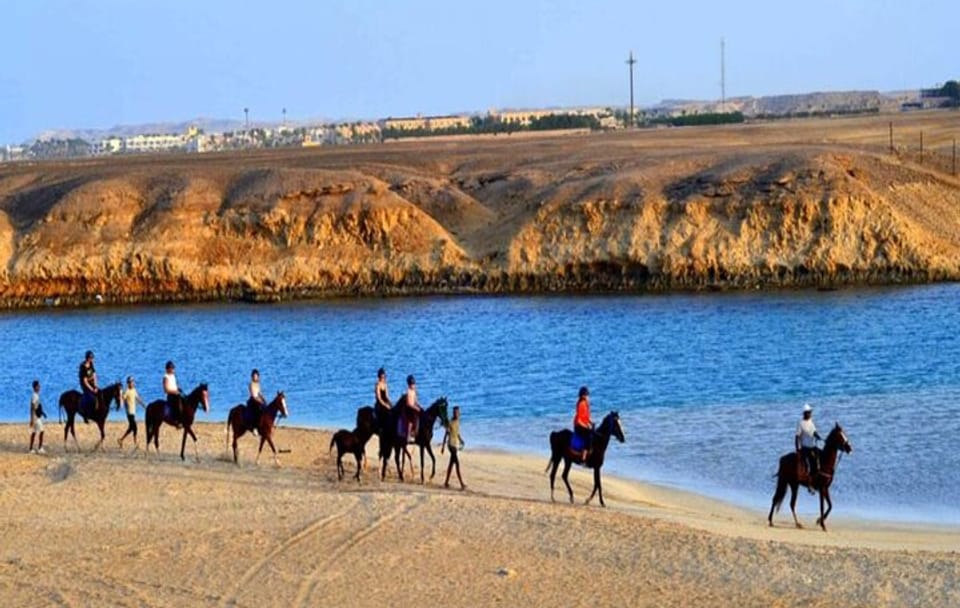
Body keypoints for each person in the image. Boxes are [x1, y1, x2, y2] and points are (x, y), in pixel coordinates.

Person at [796, 403, 823, 492]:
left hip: (813, 447)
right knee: (811, 464)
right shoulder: (801, 424)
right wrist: (798, 449)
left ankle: (819, 481)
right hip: (805, 448)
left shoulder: (811, 421)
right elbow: (797, 437)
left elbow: (814, 431)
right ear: (805, 413)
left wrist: (818, 436)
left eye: (810, 412)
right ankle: (809, 484)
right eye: (809, 412)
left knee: (822, 456)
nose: (810, 414)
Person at [441, 405, 466, 490]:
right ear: (453, 413)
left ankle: (446, 482)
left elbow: (457, 433)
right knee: (457, 464)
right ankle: (462, 484)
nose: (456, 414)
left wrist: (461, 440)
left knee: (451, 464)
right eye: (455, 412)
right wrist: (443, 446)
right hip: (451, 445)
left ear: (459, 413)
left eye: (458, 412)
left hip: (455, 444)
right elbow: (446, 434)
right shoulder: (450, 422)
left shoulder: (458, 421)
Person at [118, 376, 145, 450]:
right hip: (129, 412)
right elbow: (122, 399)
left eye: (132, 382)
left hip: (133, 412)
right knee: (135, 428)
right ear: (128, 383)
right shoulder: (127, 391)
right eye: (130, 382)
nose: (132, 383)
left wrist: (143, 405)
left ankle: (121, 440)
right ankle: (136, 444)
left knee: (131, 428)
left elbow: (137, 398)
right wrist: (121, 396)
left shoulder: (134, 390)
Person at [573, 386, 593, 462]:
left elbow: (586, 417)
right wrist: (586, 426)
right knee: (588, 435)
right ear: (582, 395)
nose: (587, 396)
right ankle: (583, 456)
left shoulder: (586, 403)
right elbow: (579, 420)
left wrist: (591, 422)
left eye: (587, 395)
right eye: (585, 395)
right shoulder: (581, 404)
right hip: (578, 425)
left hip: (584, 423)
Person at [78, 350, 98, 420]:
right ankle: (86, 414)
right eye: (91, 358)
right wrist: (92, 389)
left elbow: (94, 375)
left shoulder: (91, 364)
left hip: (92, 383)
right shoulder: (83, 366)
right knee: (90, 397)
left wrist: (95, 386)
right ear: (87, 358)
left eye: (92, 358)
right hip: (85, 385)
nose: (92, 359)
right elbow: (85, 381)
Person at [246, 369, 267, 434]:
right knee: (257, 410)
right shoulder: (251, 384)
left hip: (258, 399)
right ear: (252, 377)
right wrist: (259, 400)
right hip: (253, 400)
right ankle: (254, 427)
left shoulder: (258, 384)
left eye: (256, 376)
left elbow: (259, 393)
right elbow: (253, 395)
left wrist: (263, 398)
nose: (255, 377)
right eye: (254, 376)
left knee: (265, 406)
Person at [29, 380, 46, 454]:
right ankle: (40, 448)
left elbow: (37, 406)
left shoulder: (36, 395)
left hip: (37, 416)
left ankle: (31, 448)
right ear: (35, 387)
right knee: (42, 431)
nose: (39, 387)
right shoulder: (34, 396)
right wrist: (32, 418)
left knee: (34, 432)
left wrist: (43, 413)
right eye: (38, 386)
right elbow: (32, 407)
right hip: (36, 417)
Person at [403, 375, 422, 440]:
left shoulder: (414, 391)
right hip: (409, 408)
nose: (413, 385)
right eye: (412, 384)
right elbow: (408, 403)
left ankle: (418, 432)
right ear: (409, 385)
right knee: (411, 420)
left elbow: (415, 401)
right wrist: (415, 407)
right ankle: (408, 435)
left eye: (414, 384)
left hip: (413, 407)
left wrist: (419, 406)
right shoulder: (408, 392)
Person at [163, 360, 182, 426]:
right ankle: (176, 420)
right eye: (172, 368)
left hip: (176, 394)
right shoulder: (166, 377)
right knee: (178, 403)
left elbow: (175, 385)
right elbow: (166, 390)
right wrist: (174, 392)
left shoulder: (174, 376)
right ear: (168, 369)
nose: (173, 369)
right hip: (171, 395)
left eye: (173, 368)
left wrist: (178, 389)